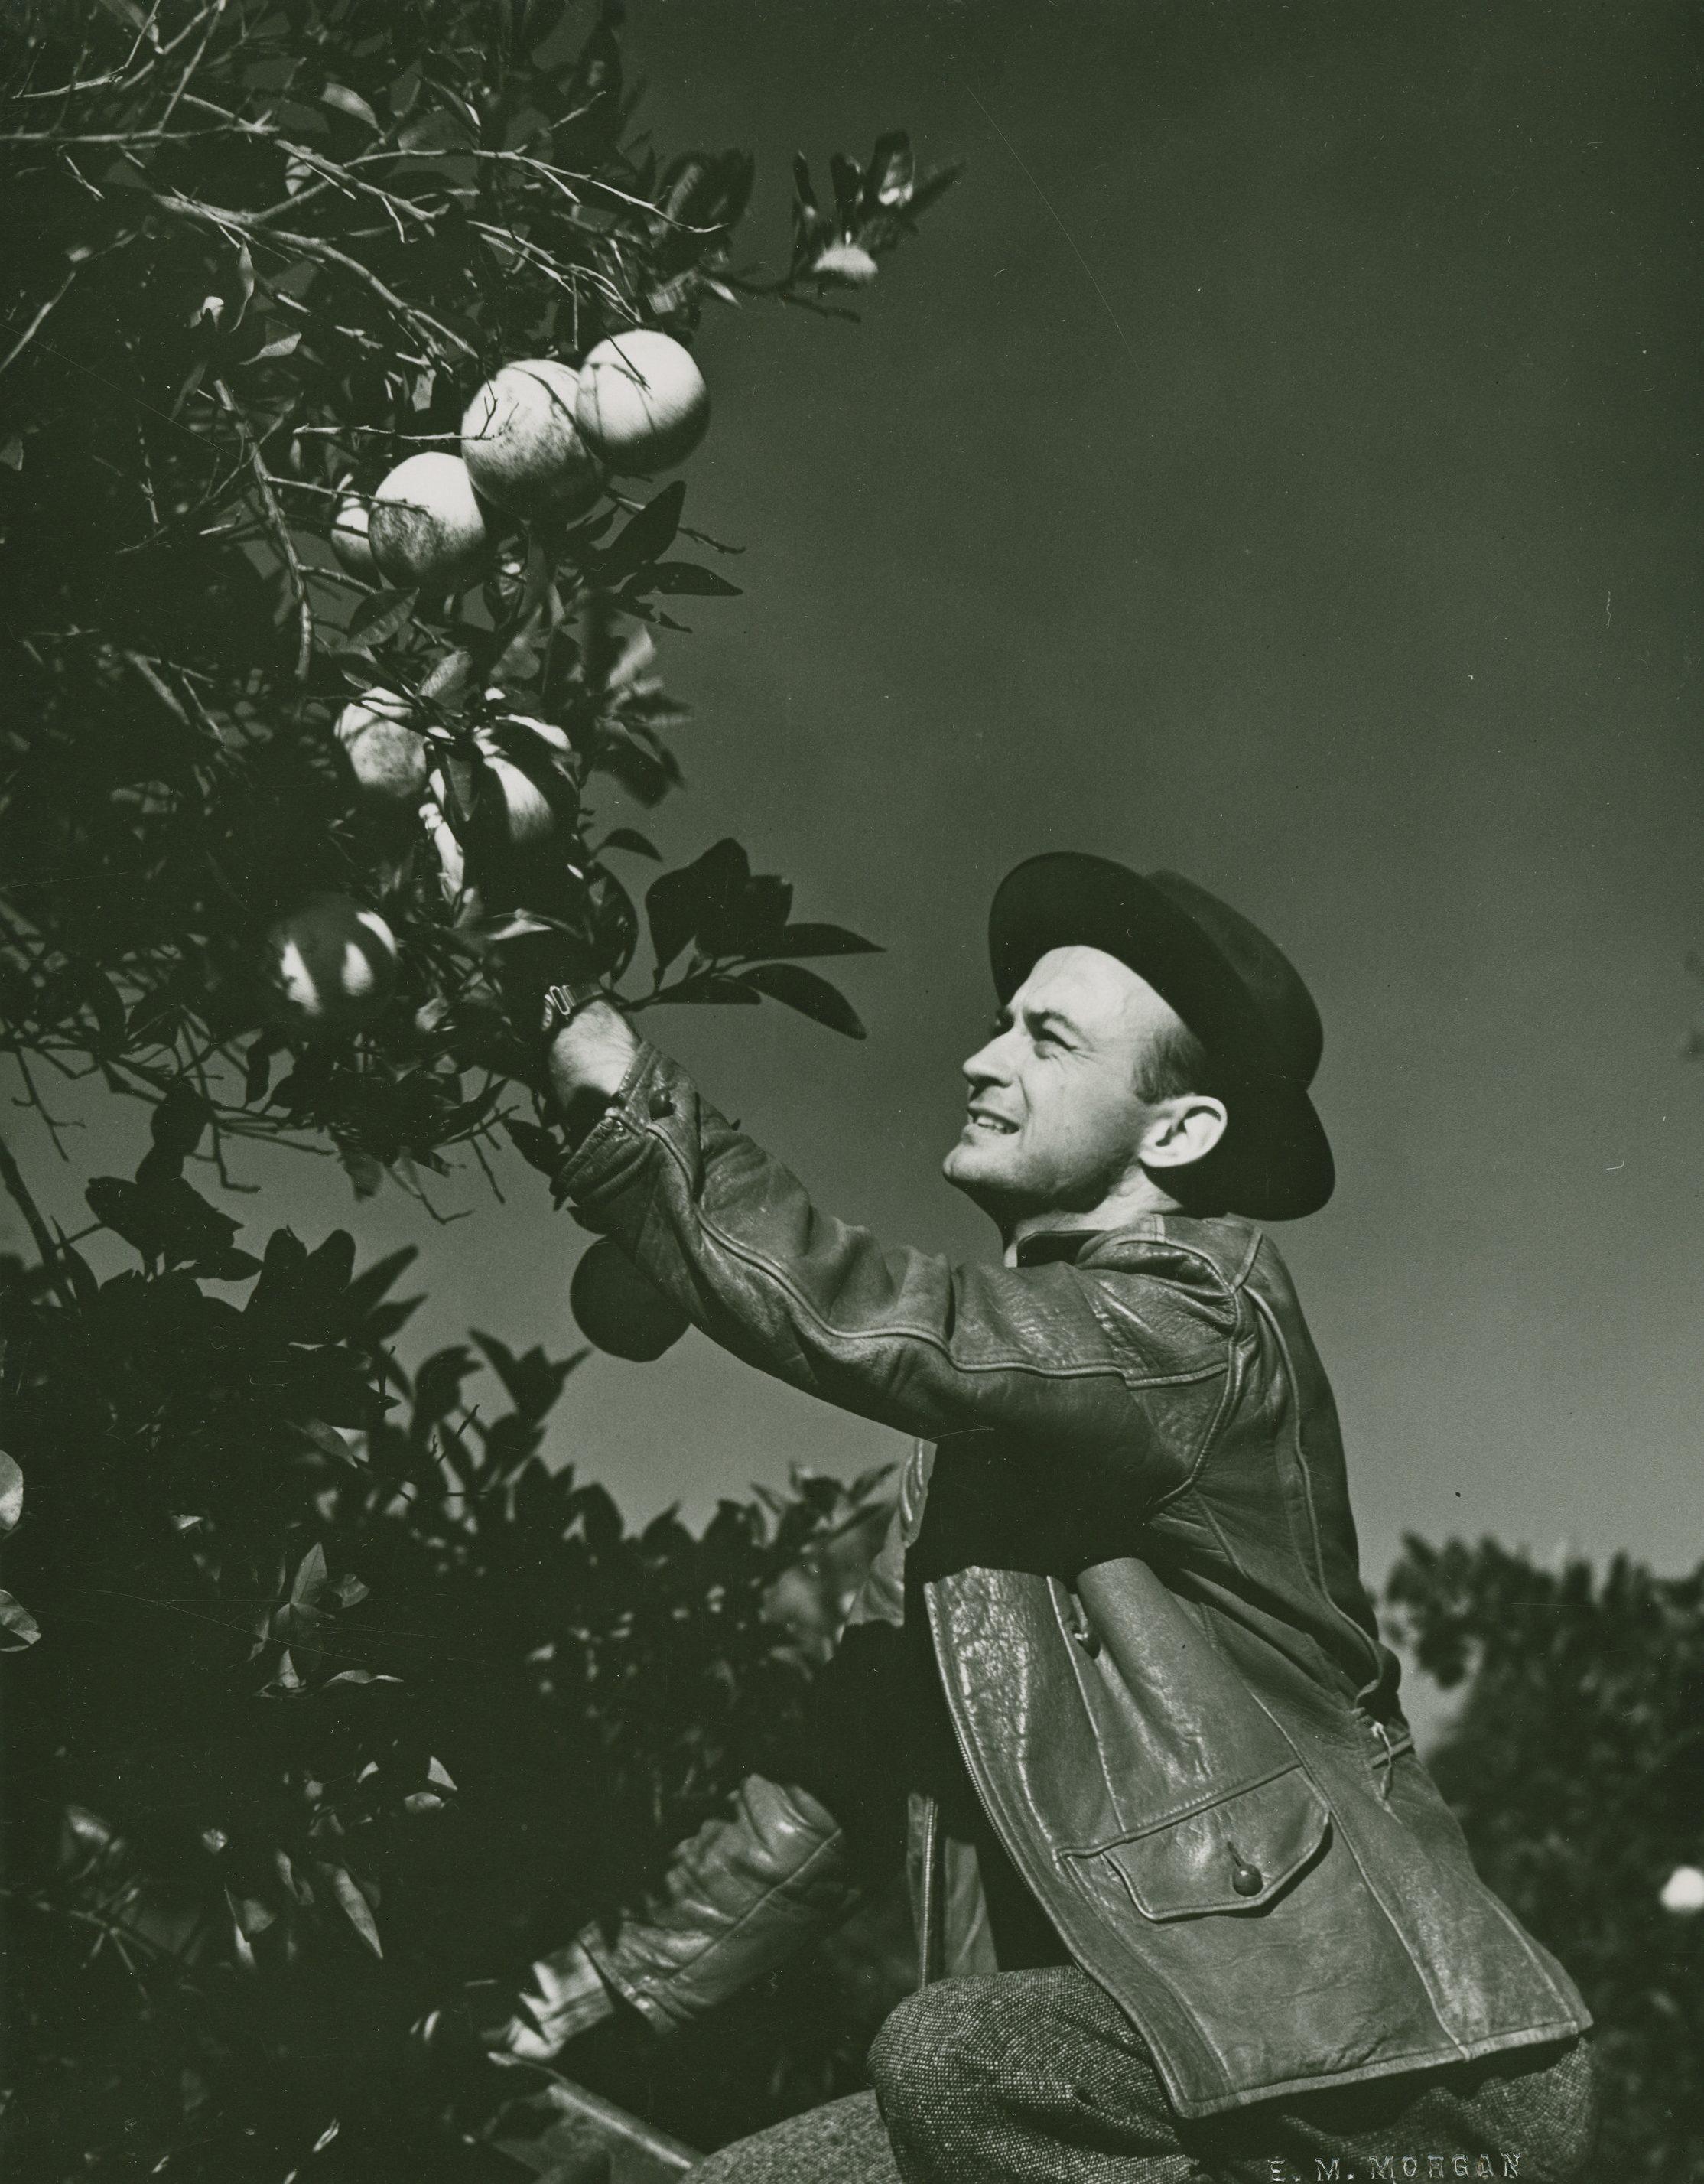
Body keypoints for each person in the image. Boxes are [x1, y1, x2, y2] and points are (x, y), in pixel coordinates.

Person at [435, 852, 1598, 2182]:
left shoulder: (1195, 1327)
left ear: (1178, 1133)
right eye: (1001, 1025)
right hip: (1150, 2088)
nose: (984, 1061)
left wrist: (589, 1051)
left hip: (1384, 2079)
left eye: (1046, 1039)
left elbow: (882, 1318)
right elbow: (846, 1774)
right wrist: (578, 1992)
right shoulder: (982, 1475)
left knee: (954, 2055)